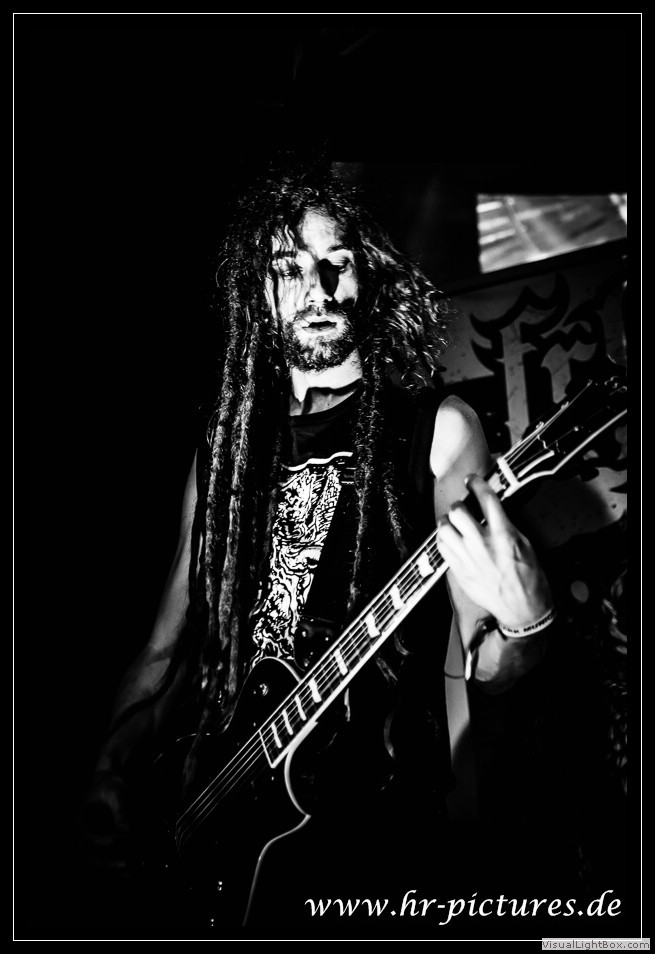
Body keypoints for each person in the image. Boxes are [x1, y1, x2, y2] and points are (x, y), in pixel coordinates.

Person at [84, 167, 555, 931]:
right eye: (287, 267)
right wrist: (108, 770)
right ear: (256, 293)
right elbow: (165, 648)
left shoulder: (436, 427)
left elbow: (485, 659)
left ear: (368, 273)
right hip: (215, 811)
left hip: (370, 836)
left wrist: (526, 627)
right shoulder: (224, 451)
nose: (318, 286)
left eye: (338, 260)